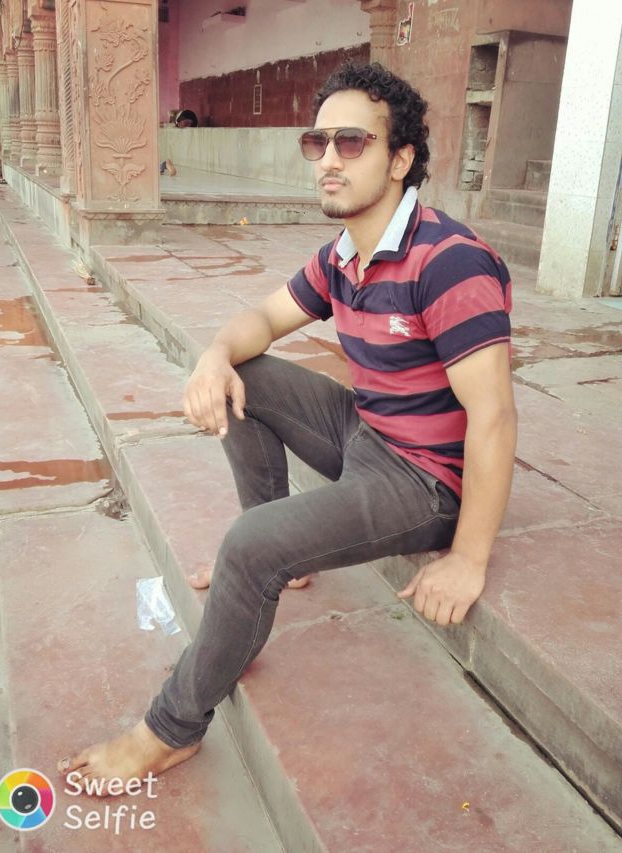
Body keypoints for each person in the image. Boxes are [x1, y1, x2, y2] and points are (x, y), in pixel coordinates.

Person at [58, 62, 517, 791]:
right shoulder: (345, 254)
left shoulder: (449, 262)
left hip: (425, 481)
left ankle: (169, 731)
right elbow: (263, 319)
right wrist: (214, 357)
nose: (329, 159)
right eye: (318, 142)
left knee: (249, 545)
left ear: (401, 159)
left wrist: (468, 557)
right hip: (368, 431)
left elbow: (493, 416)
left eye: (352, 142)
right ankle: (285, 556)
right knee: (247, 374)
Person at [160, 109, 199, 176]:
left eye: (190, 124)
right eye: (186, 123)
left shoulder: (189, 125)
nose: (188, 125)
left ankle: (165, 165)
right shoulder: (173, 126)